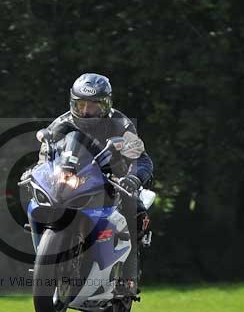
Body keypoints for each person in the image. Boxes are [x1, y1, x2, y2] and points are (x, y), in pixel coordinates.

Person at [33, 72, 154, 294]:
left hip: (111, 180)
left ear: (106, 105)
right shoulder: (62, 123)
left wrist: (133, 178)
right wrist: (39, 171)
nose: (86, 111)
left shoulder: (121, 125)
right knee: (38, 196)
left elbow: (142, 159)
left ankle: (128, 276)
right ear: (73, 102)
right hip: (72, 179)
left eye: (93, 106)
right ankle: (46, 254)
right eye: (81, 105)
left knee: (133, 206)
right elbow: (45, 154)